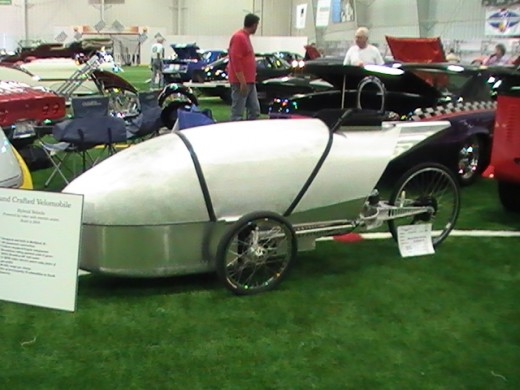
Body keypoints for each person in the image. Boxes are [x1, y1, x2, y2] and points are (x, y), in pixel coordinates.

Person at [227, 13, 261, 121]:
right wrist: (242, 82)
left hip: (249, 81)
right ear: (254, 25)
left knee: (254, 110)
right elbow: (236, 61)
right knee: (238, 112)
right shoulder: (239, 37)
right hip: (241, 82)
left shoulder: (245, 37)